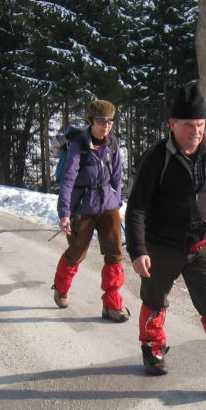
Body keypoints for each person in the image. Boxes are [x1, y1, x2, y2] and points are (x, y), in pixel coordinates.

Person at [124, 84, 206, 393]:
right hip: (161, 245)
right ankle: (153, 349)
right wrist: (138, 250)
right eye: (188, 125)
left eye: (200, 124)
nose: (195, 131)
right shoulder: (156, 158)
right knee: (155, 300)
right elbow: (137, 206)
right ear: (172, 124)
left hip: (200, 245)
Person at [51, 99, 129, 323]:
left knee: (114, 254)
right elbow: (67, 180)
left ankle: (112, 305)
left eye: (110, 121)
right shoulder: (79, 146)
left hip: (108, 205)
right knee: (76, 252)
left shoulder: (112, 144)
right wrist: (64, 212)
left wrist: (118, 202)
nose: (106, 126)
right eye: (101, 121)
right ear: (90, 121)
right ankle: (62, 287)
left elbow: (116, 176)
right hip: (83, 206)